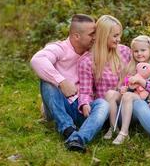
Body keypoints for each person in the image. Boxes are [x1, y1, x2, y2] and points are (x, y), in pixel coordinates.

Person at [30, 14, 110, 153]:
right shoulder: (60, 48)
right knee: (48, 82)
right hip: (59, 105)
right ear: (76, 36)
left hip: (82, 108)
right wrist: (61, 82)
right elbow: (37, 60)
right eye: (92, 34)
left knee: (103, 104)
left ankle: (78, 138)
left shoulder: (94, 52)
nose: (95, 37)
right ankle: (68, 129)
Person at [77, 14, 131, 145]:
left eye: (119, 35)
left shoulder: (125, 51)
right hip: (107, 112)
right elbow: (85, 91)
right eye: (115, 36)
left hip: (128, 108)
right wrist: (84, 104)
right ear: (103, 35)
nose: (119, 39)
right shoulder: (87, 61)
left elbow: (141, 74)